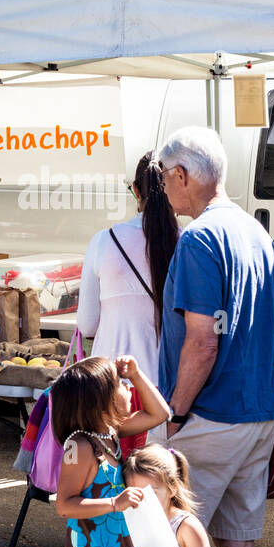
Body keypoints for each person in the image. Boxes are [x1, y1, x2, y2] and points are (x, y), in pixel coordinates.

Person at [155, 125, 274, 547]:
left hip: (210, 417)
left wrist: (176, 414)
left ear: (182, 175)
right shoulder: (256, 232)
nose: (164, 188)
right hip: (257, 415)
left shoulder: (199, 239)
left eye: (165, 177)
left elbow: (203, 341)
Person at [53, 355, 172, 547]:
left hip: (120, 545)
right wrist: (114, 502)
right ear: (100, 398)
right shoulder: (80, 445)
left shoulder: (109, 432)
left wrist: (137, 374)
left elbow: (160, 414)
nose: (128, 388)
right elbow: (64, 505)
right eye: (121, 384)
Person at [76, 151, 178, 449]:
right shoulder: (187, 242)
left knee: (112, 481)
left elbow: (87, 324)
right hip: (164, 391)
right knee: (158, 484)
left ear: (135, 190)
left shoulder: (104, 240)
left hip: (109, 388)